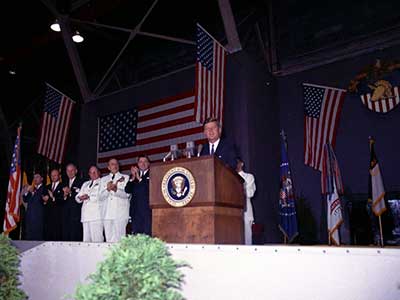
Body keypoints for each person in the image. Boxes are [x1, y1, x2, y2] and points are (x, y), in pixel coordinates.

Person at [99, 158, 130, 242]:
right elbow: (100, 197)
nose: (115, 166)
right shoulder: (103, 180)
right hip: (107, 214)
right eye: (112, 164)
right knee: (108, 240)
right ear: (108, 167)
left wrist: (116, 190)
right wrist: (108, 189)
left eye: (116, 164)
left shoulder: (126, 178)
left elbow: (127, 195)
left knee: (120, 240)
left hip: (120, 214)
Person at [76, 166, 104, 242]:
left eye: (95, 172)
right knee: (86, 240)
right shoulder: (85, 184)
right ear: (89, 174)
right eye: (91, 172)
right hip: (85, 216)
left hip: (96, 216)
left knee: (97, 240)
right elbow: (78, 196)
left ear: (99, 172)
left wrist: (89, 197)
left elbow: (101, 196)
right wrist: (80, 198)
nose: (93, 174)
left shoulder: (103, 182)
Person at [125, 155, 152, 236]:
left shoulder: (153, 173)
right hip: (135, 211)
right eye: (140, 162)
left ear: (148, 164)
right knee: (136, 236)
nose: (143, 164)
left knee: (147, 236)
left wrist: (139, 178)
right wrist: (133, 178)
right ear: (138, 164)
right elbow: (127, 190)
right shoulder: (133, 176)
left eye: (145, 162)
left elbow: (147, 188)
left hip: (147, 211)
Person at [62, 163, 84, 241]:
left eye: (72, 170)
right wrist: (64, 196)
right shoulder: (63, 183)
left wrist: (70, 191)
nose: (70, 172)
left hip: (76, 215)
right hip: (66, 216)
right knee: (66, 238)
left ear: (76, 171)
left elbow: (81, 195)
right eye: (68, 171)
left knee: (76, 237)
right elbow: (61, 200)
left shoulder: (82, 182)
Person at [236, 158, 256, 245]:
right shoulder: (227, 176)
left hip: (246, 212)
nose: (235, 164)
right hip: (231, 212)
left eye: (237, 162)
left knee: (247, 239)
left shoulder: (249, 177)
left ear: (242, 164)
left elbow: (250, 193)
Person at [42, 169, 64, 241]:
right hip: (48, 217)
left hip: (58, 217)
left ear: (59, 176)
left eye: (55, 175)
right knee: (47, 237)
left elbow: (62, 200)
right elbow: (41, 199)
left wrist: (52, 197)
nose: (53, 177)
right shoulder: (47, 187)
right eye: (51, 175)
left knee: (56, 238)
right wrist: (44, 200)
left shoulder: (63, 186)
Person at [22, 173, 45, 240]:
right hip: (29, 219)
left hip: (39, 220)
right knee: (29, 239)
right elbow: (25, 199)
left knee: (38, 240)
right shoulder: (31, 188)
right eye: (34, 177)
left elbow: (40, 199)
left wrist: (33, 192)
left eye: (37, 177)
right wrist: (27, 191)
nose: (35, 179)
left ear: (42, 179)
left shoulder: (45, 188)